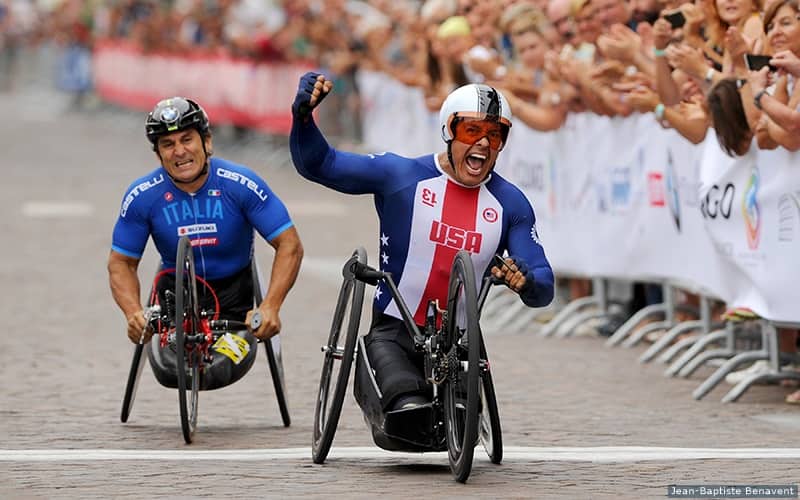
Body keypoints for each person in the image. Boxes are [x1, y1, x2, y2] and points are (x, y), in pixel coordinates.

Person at [289, 73, 554, 445]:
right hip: (395, 330)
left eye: (494, 135)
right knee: (405, 416)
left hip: (457, 345)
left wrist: (526, 280)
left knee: (457, 428)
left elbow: (544, 283)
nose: (482, 143)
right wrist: (303, 119)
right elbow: (320, 165)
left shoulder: (511, 204)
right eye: (471, 130)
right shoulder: (401, 174)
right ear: (449, 130)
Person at [108, 96, 303, 388]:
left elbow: (290, 245)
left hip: (234, 303)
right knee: (174, 374)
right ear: (158, 154)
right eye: (168, 144)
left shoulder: (241, 184)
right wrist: (133, 312)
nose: (179, 152)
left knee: (212, 373)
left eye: (187, 139)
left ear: (207, 141)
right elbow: (121, 262)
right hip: (175, 300)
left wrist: (271, 305)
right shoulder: (142, 196)